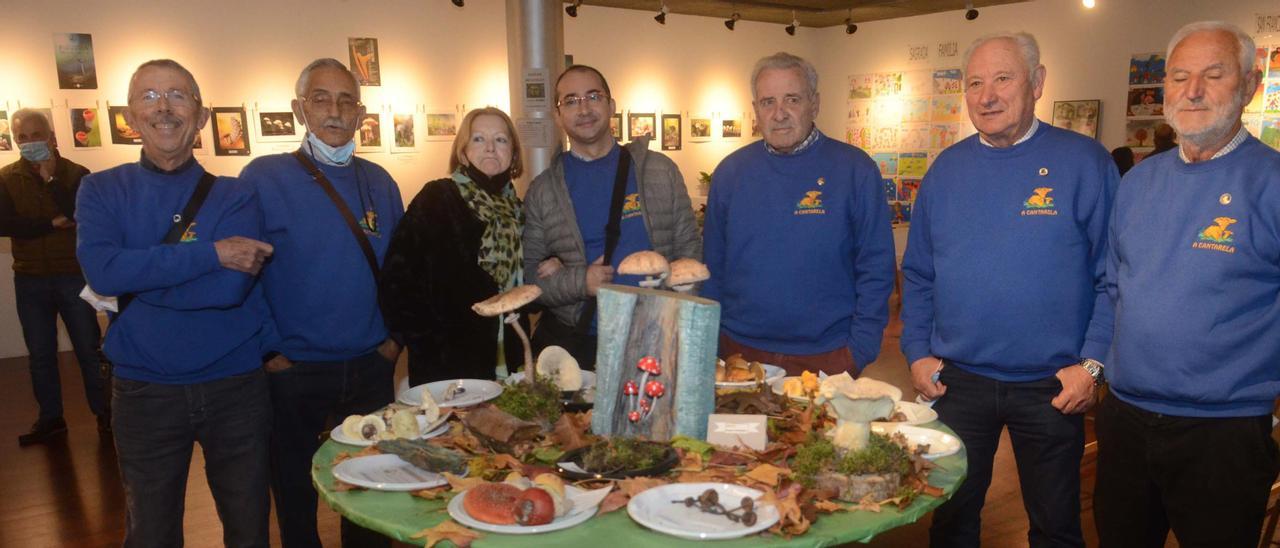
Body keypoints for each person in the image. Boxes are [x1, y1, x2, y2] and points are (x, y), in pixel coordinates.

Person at [900, 32, 1117, 548]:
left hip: (1052, 386)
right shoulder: (946, 170)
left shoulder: (1085, 163)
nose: (987, 95)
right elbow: (919, 273)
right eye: (975, 83)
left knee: (1056, 527)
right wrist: (914, 352)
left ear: (1037, 83)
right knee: (950, 519)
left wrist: (1091, 365)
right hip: (957, 384)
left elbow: (1114, 276)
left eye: (1003, 79)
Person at [1095, 21, 1280, 548]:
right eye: (1180, 77)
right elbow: (1114, 286)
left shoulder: (1271, 184)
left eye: (1213, 75)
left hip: (1222, 433)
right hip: (1126, 420)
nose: (1193, 90)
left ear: (1249, 86)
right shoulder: (1137, 184)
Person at [76, 59, 275, 547]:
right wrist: (213, 253)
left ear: (201, 116)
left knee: (249, 530)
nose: (163, 107)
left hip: (235, 388)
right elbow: (103, 273)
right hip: (145, 392)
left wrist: (137, 270)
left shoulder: (237, 194)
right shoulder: (100, 190)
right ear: (129, 116)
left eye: (177, 95)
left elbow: (229, 292)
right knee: (151, 533)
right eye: (148, 96)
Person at [239, 58, 404, 548]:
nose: (335, 110)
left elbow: (401, 272)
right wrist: (272, 353)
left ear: (361, 113)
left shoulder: (380, 182)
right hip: (295, 369)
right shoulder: (262, 178)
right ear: (299, 109)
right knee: (293, 488)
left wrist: (395, 342)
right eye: (321, 99)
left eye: (346, 100)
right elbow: (245, 274)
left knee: (371, 484)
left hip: (371, 365)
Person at [702, 52, 894, 376]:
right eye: (767, 102)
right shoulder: (730, 173)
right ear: (755, 111)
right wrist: (714, 342)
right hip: (740, 353)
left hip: (827, 357)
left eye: (792, 99)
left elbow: (876, 267)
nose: (779, 114)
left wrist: (858, 350)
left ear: (814, 104)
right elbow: (713, 269)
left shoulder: (855, 169)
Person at [523, 65, 699, 367]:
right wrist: (581, 282)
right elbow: (529, 278)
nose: (584, 108)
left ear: (612, 106)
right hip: (582, 344)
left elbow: (690, 251)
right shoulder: (543, 191)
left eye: (593, 96)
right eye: (571, 100)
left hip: (656, 337)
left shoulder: (660, 171)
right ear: (557, 115)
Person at [380, 108, 529, 384]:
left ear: (514, 153)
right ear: (462, 152)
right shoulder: (437, 198)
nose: (490, 148)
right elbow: (397, 277)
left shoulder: (518, 211)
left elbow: (524, 288)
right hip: (446, 363)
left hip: (508, 354)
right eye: (478, 139)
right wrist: (424, 337)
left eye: (500, 140)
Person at [1, 109, 107, 445]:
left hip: (72, 275)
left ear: (51, 135)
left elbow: (81, 215)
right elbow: (5, 225)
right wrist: (51, 223)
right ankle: (51, 418)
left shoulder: (77, 174)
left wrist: (50, 180)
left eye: (36, 135)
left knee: (89, 350)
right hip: (30, 278)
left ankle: (106, 415)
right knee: (41, 353)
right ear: (16, 140)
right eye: (23, 137)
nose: (30, 142)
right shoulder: (6, 178)